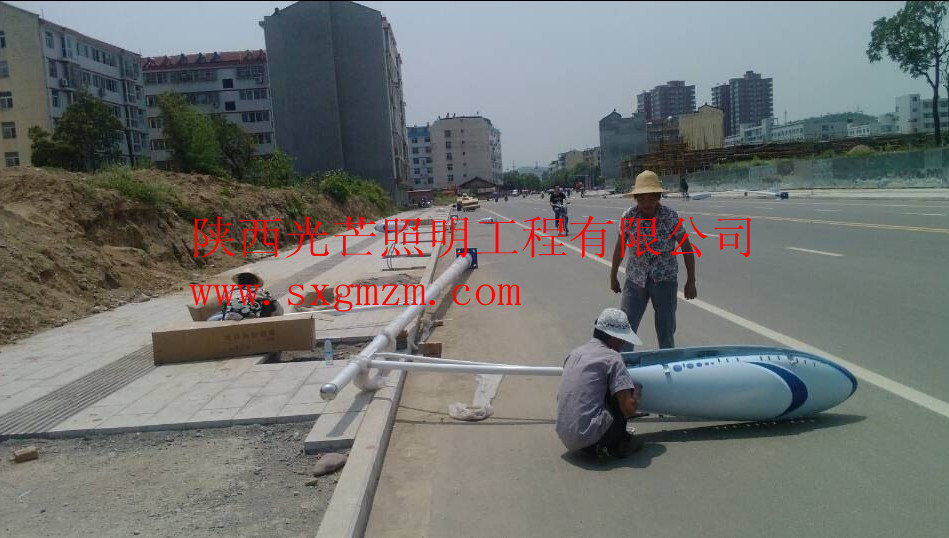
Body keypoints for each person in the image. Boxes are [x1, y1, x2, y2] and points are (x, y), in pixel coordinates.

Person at [610, 170, 697, 351]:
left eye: (651, 199)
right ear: (636, 199)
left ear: (659, 197)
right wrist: (613, 276)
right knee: (625, 329)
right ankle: (624, 365)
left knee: (666, 330)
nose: (646, 204)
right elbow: (620, 247)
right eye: (641, 199)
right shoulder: (629, 217)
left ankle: (666, 364)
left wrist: (691, 281)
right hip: (635, 280)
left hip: (664, 281)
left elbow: (687, 248)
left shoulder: (669, 217)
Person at [556, 307, 645, 459]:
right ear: (615, 338)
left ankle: (593, 443)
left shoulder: (574, 353)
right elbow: (629, 409)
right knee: (623, 393)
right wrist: (635, 392)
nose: (624, 343)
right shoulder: (613, 358)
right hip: (589, 437)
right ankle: (616, 444)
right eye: (623, 339)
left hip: (565, 433)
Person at [207, 271, 283, 321]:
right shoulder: (262, 292)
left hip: (232, 319)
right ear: (255, 282)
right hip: (256, 319)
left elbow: (224, 306)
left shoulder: (231, 292)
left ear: (239, 282)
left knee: (211, 319)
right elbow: (278, 310)